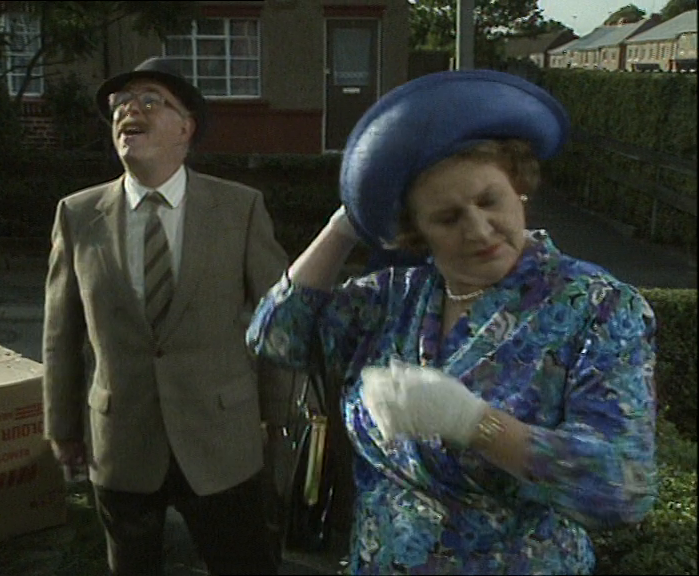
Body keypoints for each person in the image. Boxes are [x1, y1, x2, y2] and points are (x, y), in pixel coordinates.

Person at [246, 70, 657, 575]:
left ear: (520, 189)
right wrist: (345, 227)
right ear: (417, 232)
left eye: (489, 201)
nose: (479, 230)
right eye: (447, 217)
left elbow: (623, 488)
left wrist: (475, 424)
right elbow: (275, 336)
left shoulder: (597, 306)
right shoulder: (395, 297)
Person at [42, 57, 289, 576]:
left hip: (222, 440)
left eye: (151, 100)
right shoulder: (78, 214)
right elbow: (61, 333)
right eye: (120, 104)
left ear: (186, 128)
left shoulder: (239, 208)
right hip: (122, 442)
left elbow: (279, 322)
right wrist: (62, 427)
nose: (129, 110)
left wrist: (277, 416)